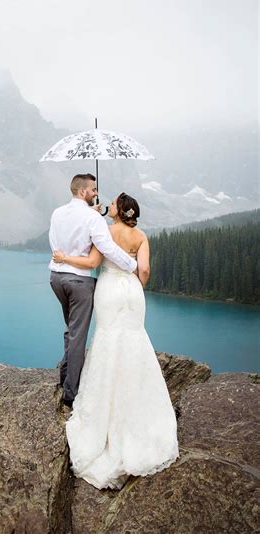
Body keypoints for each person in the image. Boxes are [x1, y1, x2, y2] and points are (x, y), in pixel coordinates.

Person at [52, 192, 179, 490]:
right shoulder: (141, 236)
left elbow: (94, 260)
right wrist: (136, 285)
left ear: (119, 211)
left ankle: (102, 420)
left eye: (112, 203)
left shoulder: (104, 230)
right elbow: (143, 269)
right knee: (134, 341)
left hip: (107, 289)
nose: (107, 205)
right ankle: (140, 416)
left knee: (107, 340)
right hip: (131, 291)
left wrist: (64, 258)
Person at [48, 174, 137, 408]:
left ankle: (64, 376)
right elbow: (106, 247)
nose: (96, 193)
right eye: (93, 189)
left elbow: (54, 244)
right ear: (83, 192)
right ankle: (71, 394)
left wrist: (93, 215)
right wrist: (131, 265)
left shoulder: (57, 213)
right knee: (78, 336)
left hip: (56, 278)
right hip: (79, 282)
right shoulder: (93, 217)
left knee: (71, 329)